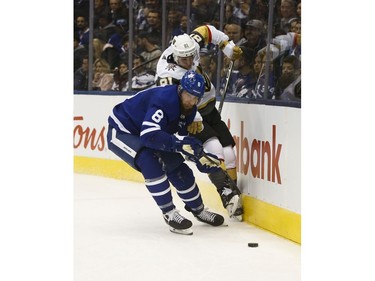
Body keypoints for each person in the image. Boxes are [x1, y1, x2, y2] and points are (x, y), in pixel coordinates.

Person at [107, 70, 225, 235]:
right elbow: (149, 135)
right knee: (149, 161)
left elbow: (179, 139)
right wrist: (180, 145)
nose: (192, 101)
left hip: (145, 133)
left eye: (196, 98)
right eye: (189, 95)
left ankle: (198, 210)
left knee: (177, 166)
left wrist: (197, 155)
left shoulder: (189, 109)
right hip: (122, 130)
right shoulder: (164, 100)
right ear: (181, 89)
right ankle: (169, 213)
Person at [154, 26, 244, 220]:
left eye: (190, 57)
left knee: (228, 151)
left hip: (208, 106)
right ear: (175, 57)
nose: (188, 62)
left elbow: (207, 30)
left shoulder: (189, 46)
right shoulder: (166, 76)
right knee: (214, 149)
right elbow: (167, 102)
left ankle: (234, 192)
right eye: (183, 60)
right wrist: (192, 115)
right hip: (190, 115)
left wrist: (226, 45)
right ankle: (225, 193)